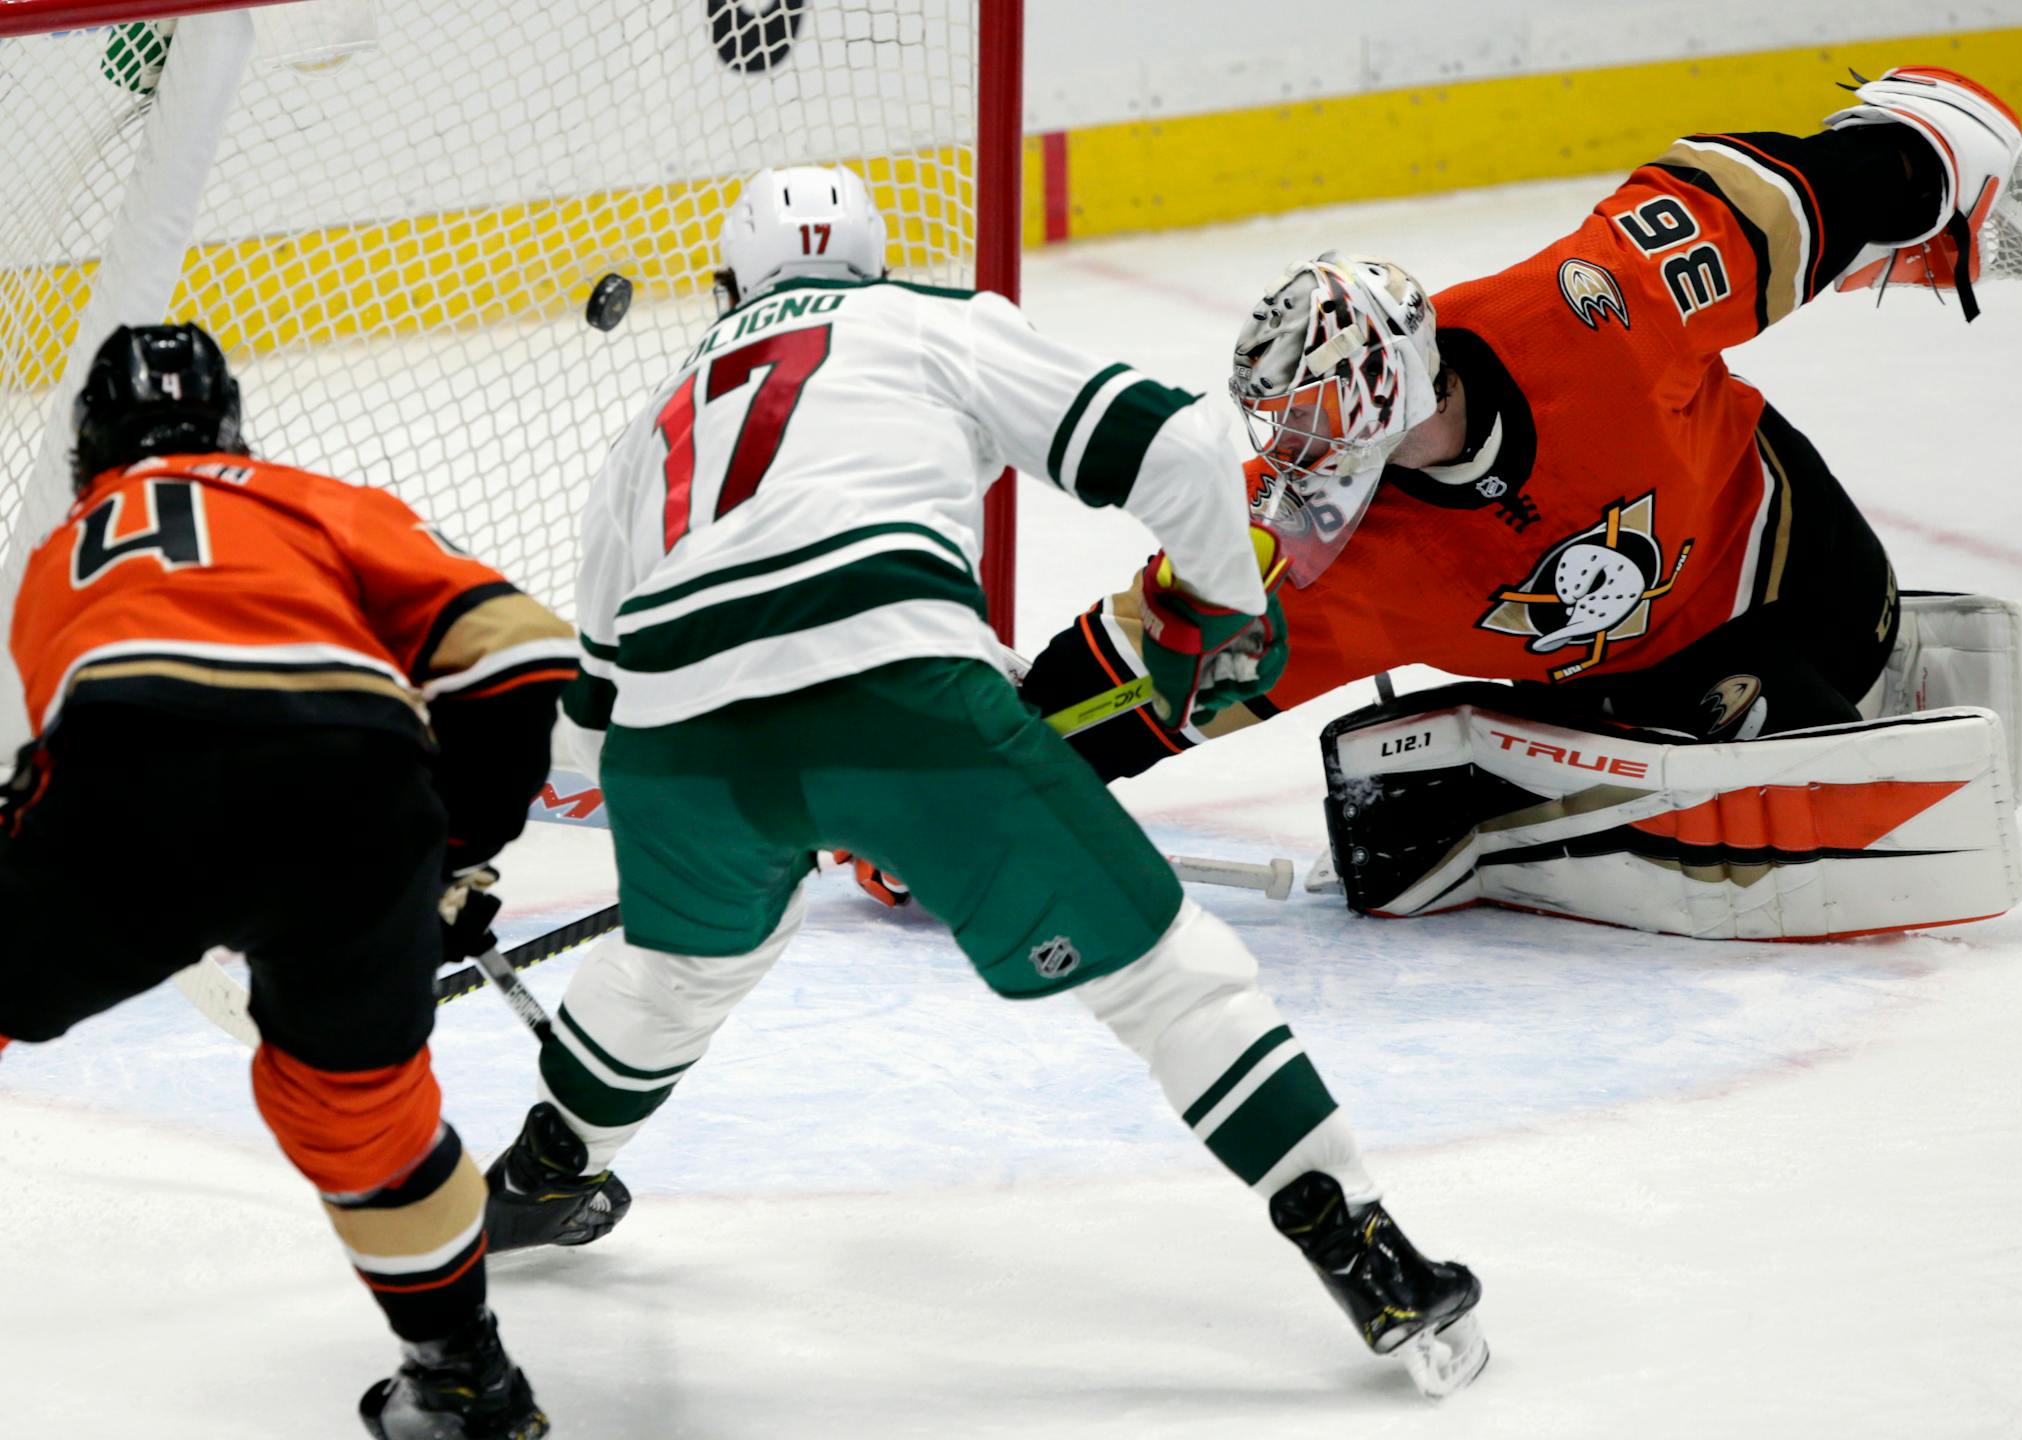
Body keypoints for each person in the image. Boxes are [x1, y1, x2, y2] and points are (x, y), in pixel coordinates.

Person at [481, 165, 1489, 1398]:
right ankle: (1366, 1254)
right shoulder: (928, 319)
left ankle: (543, 1169)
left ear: (726, 288)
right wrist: (1221, 605)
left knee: (678, 960)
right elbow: (1172, 443)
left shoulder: (648, 430)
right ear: (870, 259)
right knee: (1172, 976)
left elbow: (591, 723)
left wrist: (728, 797)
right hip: (902, 692)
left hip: (680, 751)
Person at [1019, 67, 2022, 781]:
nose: (1303, 473)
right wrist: (961, 796)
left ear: (1397, 403)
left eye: (1325, 437)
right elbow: (1144, 672)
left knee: (1815, 707)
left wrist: (1916, 166)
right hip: (1649, 688)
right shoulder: (1299, 547)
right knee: (1777, 737)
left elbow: (1767, 207)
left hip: (1796, 558)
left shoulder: (1596, 306)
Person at [0, 324, 574, 1439]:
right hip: (355, 792)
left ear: (89, 449)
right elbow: (521, 655)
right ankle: (463, 1384)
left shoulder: (59, 552)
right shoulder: (314, 499)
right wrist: (449, 852)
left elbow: (81, 760)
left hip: (132, 782)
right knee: (361, 1117)